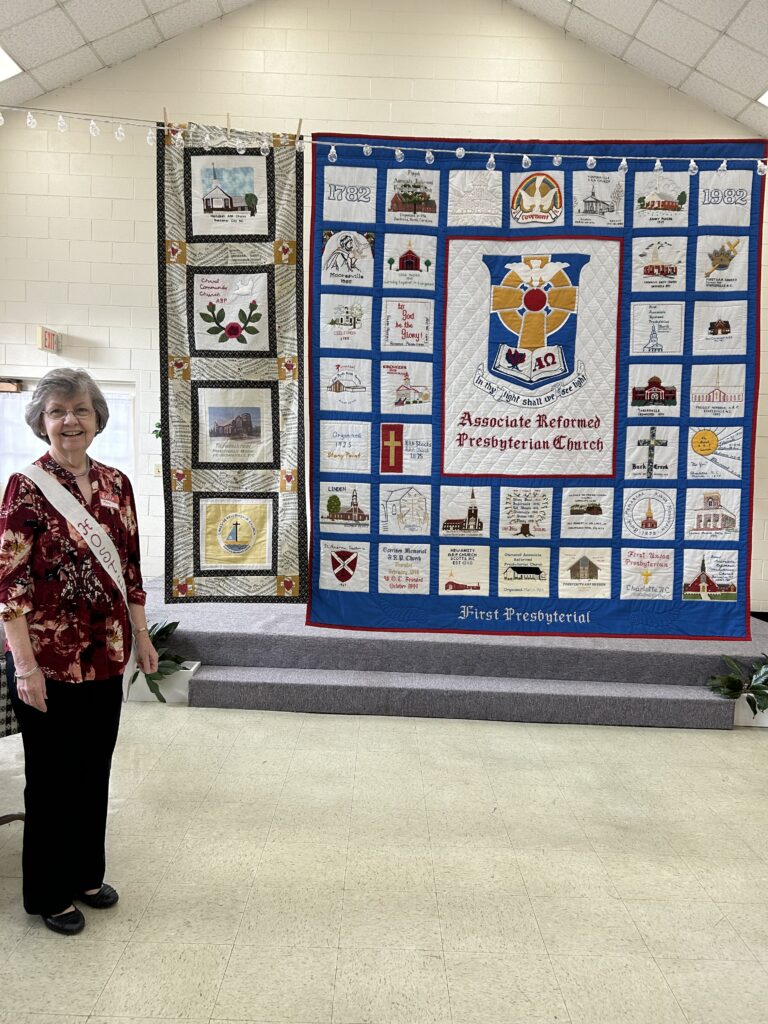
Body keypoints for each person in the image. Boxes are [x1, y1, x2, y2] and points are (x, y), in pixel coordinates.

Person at [0, 368, 158, 935]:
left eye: (81, 410)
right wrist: (24, 667)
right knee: (51, 777)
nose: (70, 420)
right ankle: (47, 891)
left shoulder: (116, 484)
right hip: (48, 659)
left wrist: (141, 635)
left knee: (95, 769)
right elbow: (9, 584)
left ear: (97, 419)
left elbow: (131, 569)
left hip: (106, 653)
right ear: (42, 423)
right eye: (58, 412)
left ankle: (87, 873)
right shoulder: (26, 486)